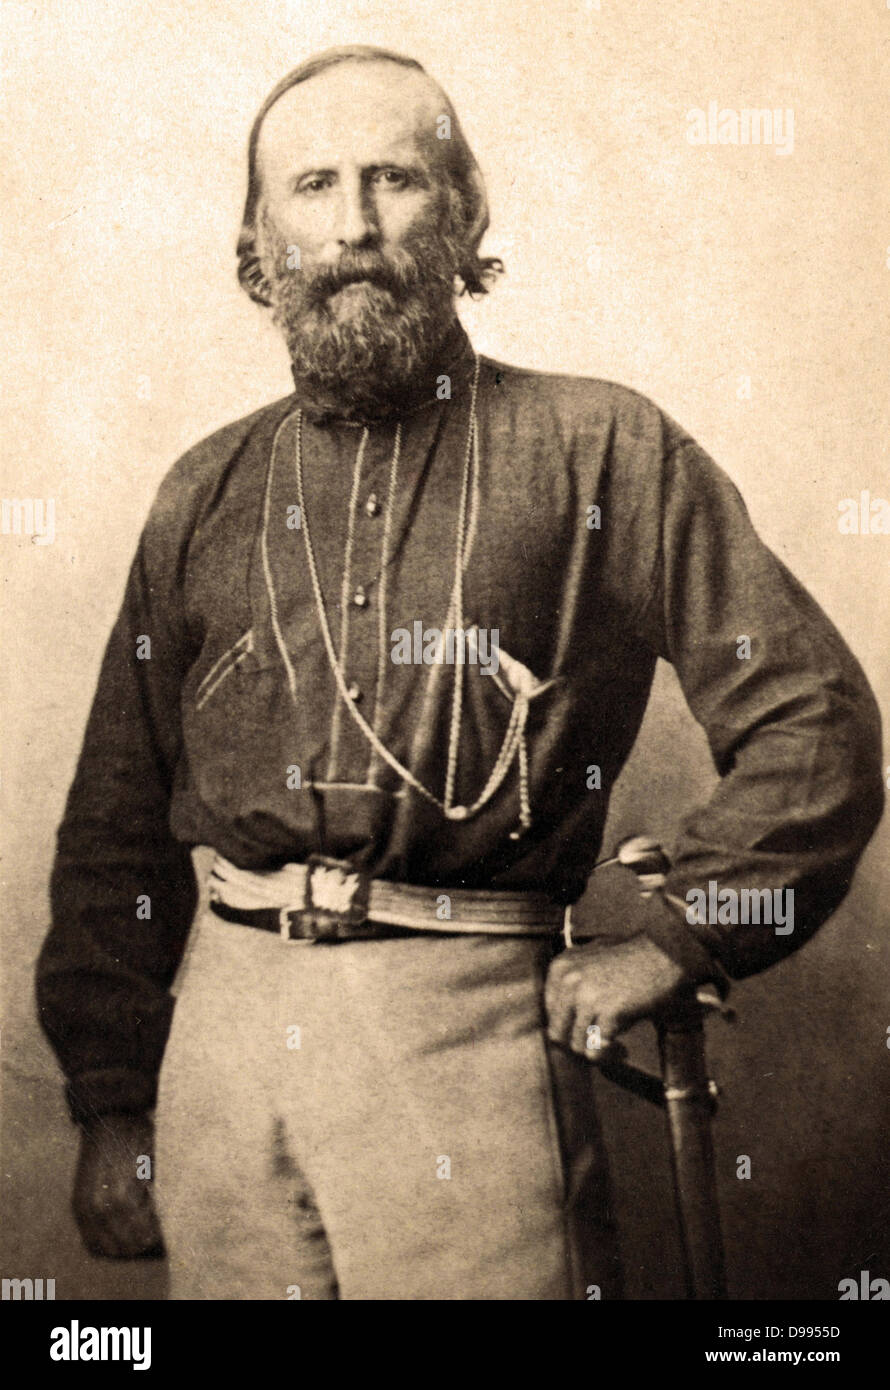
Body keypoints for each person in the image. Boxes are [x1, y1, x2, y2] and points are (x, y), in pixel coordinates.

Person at [36, 45, 884, 1300]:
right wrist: (113, 1098)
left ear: (466, 210)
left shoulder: (600, 448)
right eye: (313, 186)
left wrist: (674, 934)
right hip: (219, 1052)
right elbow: (117, 822)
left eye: (396, 180)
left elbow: (813, 726)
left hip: (470, 1032)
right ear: (257, 238)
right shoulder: (203, 490)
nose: (357, 224)